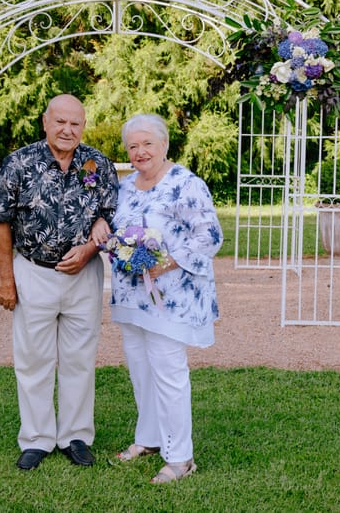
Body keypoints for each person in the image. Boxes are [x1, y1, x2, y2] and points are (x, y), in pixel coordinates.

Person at [0, 94, 118, 471]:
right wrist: (6, 281)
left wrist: (90, 250)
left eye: (75, 123)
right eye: (60, 122)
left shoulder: (98, 164)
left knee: (80, 359)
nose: (67, 129)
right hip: (33, 272)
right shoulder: (19, 163)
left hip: (83, 276)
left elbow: (110, 217)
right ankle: (37, 438)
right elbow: (1, 223)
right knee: (33, 360)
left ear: (83, 125)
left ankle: (76, 436)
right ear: (45, 122)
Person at [97, 113, 223, 484]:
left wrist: (168, 261)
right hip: (131, 296)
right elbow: (112, 225)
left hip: (172, 298)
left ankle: (181, 458)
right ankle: (149, 439)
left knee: (168, 373)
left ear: (165, 144)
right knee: (140, 369)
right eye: (133, 146)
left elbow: (210, 236)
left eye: (147, 143)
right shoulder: (125, 187)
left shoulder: (186, 184)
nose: (140, 152)